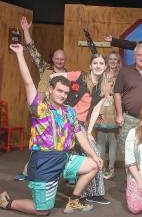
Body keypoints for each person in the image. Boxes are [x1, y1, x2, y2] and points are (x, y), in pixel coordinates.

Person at [0, 44, 102, 215]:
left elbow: (79, 134)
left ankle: (74, 201)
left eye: (65, 92)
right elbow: (27, 82)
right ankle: (7, 202)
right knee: (42, 211)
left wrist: (93, 154)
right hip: (44, 162)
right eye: (59, 91)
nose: (63, 95)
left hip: (64, 158)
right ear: (50, 90)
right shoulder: (39, 108)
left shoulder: (69, 111)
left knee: (94, 165)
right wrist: (19, 54)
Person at [51, 53, 110, 204]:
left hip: (81, 126)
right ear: (90, 66)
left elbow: (96, 109)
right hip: (66, 121)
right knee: (93, 154)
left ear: (105, 67)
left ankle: (87, 193)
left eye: (101, 63)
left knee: (88, 154)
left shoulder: (104, 86)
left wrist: (89, 131)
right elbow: (54, 78)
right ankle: (89, 193)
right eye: (95, 63)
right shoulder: (78, 76)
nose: (98, 66)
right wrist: (57, 105)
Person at [14, 16, 68, 182]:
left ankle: (61, 172)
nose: (59, 60)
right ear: (53, 59)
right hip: (42, 111)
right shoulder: (45, 68)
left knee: (58, 143)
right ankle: (27, 170)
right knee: (38, 143)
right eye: (57, 58)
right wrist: (25, 30)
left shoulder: (67, 74)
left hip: (58, 114)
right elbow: (31, 48)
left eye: (62, 58)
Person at [88, 51, 122, 180]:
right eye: (110, 59)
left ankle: (111, 168)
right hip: (101, 110)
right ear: (107, 61)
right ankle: (100, 167)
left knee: (113, 140)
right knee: (101, 140)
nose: (113, 62)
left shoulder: (121, 75)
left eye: (115, 60)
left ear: (118, 62)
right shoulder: (101, 74)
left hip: (114, 110)